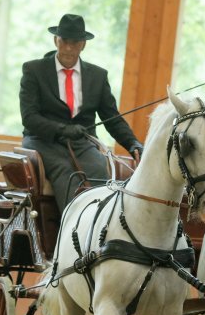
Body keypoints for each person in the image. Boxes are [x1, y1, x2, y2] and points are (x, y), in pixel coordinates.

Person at [19, 13, 143, 213]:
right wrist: (62, 129)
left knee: (98, 170)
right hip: (43, 141)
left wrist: (133, 144)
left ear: (83, 44)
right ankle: (71, 231)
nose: (68, 48)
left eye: (75, 43)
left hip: (82, 143)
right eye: (64, 41)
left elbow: (112, 118)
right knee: (67, 174)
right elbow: (29, 117)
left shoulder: (98, 76)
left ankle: (100, 227)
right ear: (55, 40)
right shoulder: (34, 70)